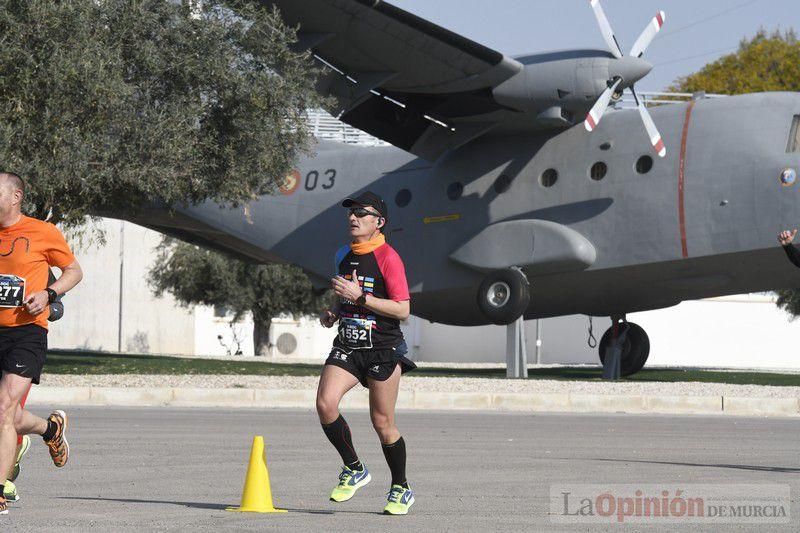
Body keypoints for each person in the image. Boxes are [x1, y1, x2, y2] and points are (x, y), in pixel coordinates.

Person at [316, 191, 416, 515]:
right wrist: (334, 312)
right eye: (350, 212)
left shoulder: (390, 258)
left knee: (382, 422)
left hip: (383, 349)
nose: (353, 217)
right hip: (348, 344)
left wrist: (360, 298)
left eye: (362, 213)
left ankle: (401, 487)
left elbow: (402, 310)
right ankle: (354, 467)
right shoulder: (342, 254)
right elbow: (344, 297)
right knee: (325, 403)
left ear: (379, 222)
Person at [0, 172, 83, 515]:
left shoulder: (43, 232)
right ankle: (51, 429)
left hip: (26, 332)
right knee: (9, 415)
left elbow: (74, 271)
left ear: (16, 195)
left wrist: (49, 294)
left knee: (4, 409)